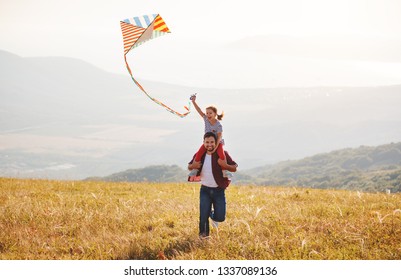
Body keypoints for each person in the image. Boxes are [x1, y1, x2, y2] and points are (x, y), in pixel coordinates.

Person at [188, 132, 238, 238]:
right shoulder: (200, 155)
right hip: (205, 190)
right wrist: (194, 165)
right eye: (207, 142)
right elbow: (189, 166)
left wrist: (225, 165)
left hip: (218, 190)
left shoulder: (223, 154)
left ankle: (211, 214)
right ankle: (203, 237)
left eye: (212, 142)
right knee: (203, 216)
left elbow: (234, 167)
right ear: (203, 142)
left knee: (220, 217)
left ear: (216, 143)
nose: (209, 144)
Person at [188, 94, 232, 179]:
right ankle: (195, 169)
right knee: (199, 154)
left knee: (221, 155)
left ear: (215, 114)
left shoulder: (218, 125)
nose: (208, 115)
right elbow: (199, 110)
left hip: (217, 142)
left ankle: (224, 171)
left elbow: (219, 136)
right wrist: (193, 102)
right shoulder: (206, 119)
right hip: (207, 142)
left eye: (210, 113)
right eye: (207, 113)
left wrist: (215, 147)